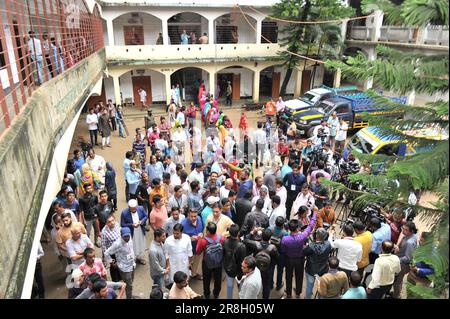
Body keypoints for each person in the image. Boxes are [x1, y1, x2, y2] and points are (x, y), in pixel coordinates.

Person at [281, 209, 317, 299]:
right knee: (299, 276)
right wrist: (315, 213)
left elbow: (283, 250)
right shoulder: (302, 236)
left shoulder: (285, 239)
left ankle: (288, 293)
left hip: (289, 260)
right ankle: (298, 292)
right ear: (297, 228)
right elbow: (311, 226)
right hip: (300, 260)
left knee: (288, 276)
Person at [244, 229, 279, 299]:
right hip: (268, 268)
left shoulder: (256, 244)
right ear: (270, 237)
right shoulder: (273, 248)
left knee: (255, 283)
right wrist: (272, 265)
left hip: (256, 268)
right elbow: (277, 258)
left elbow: (246, 240)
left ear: (261, 236)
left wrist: (252, 232)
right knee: (266, 285)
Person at [104, 227, 136, 299]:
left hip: (132, 264)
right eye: (125, 236)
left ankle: (130, 295)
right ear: (121, 235)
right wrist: (112, 262)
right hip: (125, 268)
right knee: (128, 285)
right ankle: (129, 297)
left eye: (128, 236)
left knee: (130, 283)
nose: (127, 238)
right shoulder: (117, 244)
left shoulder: (130, 239)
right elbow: (106, 253)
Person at [196, 222, 224, 299]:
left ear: (208, 231)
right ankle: (216, 294)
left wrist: (199, 240)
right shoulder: (221, 238)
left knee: (206, 280)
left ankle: (207, 294)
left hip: (207, 264)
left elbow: (198, 252)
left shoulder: (203, 241)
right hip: (218, 263)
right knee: (218, 280)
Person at [303, 228, 332, 299]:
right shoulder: (328, 244)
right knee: (321, 286)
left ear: (317, 236)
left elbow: (304, 252)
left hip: (311, 269)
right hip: (323, 269)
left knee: (309, 286)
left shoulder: (311, 246)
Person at [393, 221, 418, 299]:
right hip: (401, 259)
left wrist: (395, 259)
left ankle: (396, 296)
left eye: (406, 229)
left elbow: (408, 258)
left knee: (397, 281)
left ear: (412, 231)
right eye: (403, 228)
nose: (403, 230)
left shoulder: (410, 243)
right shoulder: (412, 236)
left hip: (403, 265)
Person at [222, 224, 247, 299]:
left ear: (229, 233)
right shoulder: (242, 246)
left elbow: (223, 255)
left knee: (229, 286)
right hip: (239, 271)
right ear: (238, 233)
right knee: (240, 287)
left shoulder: (224, 242)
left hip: (228, 268)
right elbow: (242, 261)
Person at [120, 199, 148, 265]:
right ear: (129, 207)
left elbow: (146, 216)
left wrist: (141, 222)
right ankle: (133, 258)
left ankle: (140, 257)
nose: (134, 210)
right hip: (131, 232)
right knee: (132, 245)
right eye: (132, 209)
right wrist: (131, 225)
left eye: (135, 208)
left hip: (140, 231)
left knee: (140, 244)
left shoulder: (141, 208)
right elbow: (122, 224)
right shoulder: (124, 213)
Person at [101, 215, 121, 282]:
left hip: (120, 250)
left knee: (120, 265)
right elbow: (104, 247)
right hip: (112, 253)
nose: (112, 223)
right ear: (106, 223)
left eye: (113, 220)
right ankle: (115, 281)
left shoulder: (117, 225)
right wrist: (110, 260)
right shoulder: (104, 232)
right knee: (114, 267)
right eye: (109, 222)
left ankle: (120, 277)